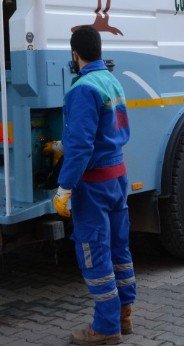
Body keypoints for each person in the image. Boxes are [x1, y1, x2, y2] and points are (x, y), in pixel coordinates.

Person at [52, 26, 136, 345]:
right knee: (119, 247)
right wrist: (67, 143)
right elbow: (104, 131)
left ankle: (105, 327)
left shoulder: (81, 89)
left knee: (94, 250)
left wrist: (65, 187)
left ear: (75, 55)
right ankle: (125, 315)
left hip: (94, 184)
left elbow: (84, 146)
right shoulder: (112, 81)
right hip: (117, 177)